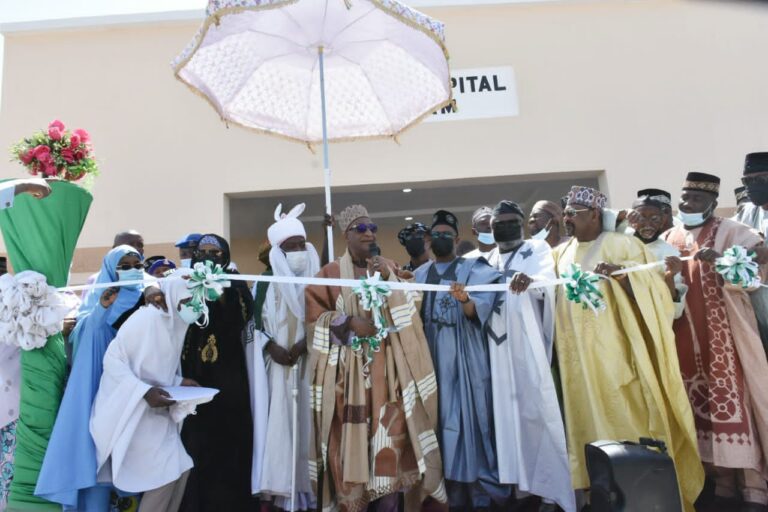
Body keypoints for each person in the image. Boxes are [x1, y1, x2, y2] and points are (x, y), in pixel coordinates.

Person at [554, 186, 703, 511]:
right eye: (565, 212)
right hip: (577, 362)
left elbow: (658, 294)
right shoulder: (561, 253)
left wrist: (622, 279)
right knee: (587, 425)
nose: (566, 218)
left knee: (627, 419)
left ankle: (644, 496)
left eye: (573, 212)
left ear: (594, 215)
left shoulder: (623, 245)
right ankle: (602, 497)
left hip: (617, 354)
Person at [305, 204, 446, 512]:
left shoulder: (390, 266)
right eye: (361, 229)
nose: (369, 233)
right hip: (347, 382)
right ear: (346, 235)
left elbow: (414, 304)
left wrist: (392, 281)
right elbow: (314, 321)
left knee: (390, 449)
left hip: (389, 377)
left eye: (372, 228)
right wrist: (348, 323)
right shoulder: (328, 275)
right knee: (347, 450)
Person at [662, 172, 768, 512]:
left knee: (740, 404)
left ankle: (753, 489)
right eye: (684, 198)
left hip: (727, 337)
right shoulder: (669, 235)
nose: (687, 204)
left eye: (695, 199)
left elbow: (753, 277)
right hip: (683, 337)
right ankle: (719, 484)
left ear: (711, 202)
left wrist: (721, 261)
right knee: (698, 412)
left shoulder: (734, 231)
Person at [414, 209, 511, 510]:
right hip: (428, 358)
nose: (442, 239)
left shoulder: (475, 270)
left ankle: (481, 496)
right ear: (428, 240)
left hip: (464, 358)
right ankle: (445, 492)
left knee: (470, 421)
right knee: (437, 423)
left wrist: (465, 300)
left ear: (457, 240)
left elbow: (478, 310)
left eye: (448, 234)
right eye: (436, 234)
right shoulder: (417, 275)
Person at [36, 245, 145, 510]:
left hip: (136, 394)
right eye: (125, 266)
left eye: (137, 265)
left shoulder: (149, 298)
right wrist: (102, 308)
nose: (132, 271)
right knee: (97, 471)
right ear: (111, 269)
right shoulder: (98, 299)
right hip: (99, 392)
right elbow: (87, 332)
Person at [484, 201, 574, 512]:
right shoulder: (485, 258)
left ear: (522, 224)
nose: (505, 227)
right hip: (494, 349)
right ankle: (520, 487)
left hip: (527, 345)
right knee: (505, 416)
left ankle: (551, 490)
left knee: (537, 412)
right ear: (491, 228)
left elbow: (547, 282)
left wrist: (531, 281)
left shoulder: (535, 250)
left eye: (512, 222)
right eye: (499, 223)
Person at [90, 272, 205, 512]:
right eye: (187, 302)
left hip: (156, 417)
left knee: (181, 468)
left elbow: (153, 367)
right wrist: (144, 392)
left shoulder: (175, 323)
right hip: (133, 415)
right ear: (173, 298)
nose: (192, 307)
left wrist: (179, 381)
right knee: (166, 474)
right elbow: (114, 361)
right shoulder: (145, 320)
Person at [179, 234, 257, 512]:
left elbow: (244, 316)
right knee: (197, 447)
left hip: (228, 379)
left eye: (216, 252)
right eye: (203, 251)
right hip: (193, 379)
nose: (209, 256)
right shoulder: (186, 281)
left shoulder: (234, 279)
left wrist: (223, 291)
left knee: (230, 444)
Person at [252, 204, 320, 511]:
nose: (297, 252)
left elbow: (328, 316)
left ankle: (311, 490)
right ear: (277, 252)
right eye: (289, 248)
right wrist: (270, 347)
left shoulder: (321, 281)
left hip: (311, 364)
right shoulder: (263, 284)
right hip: (278, 367)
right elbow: (253, 326)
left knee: (310, 424)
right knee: (281, 424)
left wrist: (306, 344)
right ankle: (283, 490)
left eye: (300, 246)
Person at [628, 189, 687, 318]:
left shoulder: (669, 252)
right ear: (631, 219)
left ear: (663, 220)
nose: (648, 224)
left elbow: (675, 311)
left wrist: (670, 276)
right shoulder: (621, 243)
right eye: (641, 218)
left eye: (654, 219)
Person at [735, 152, 768, 358]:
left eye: (758, 180)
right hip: (759, 304)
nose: (750, 186)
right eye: (746, 181)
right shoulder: (747, 212)